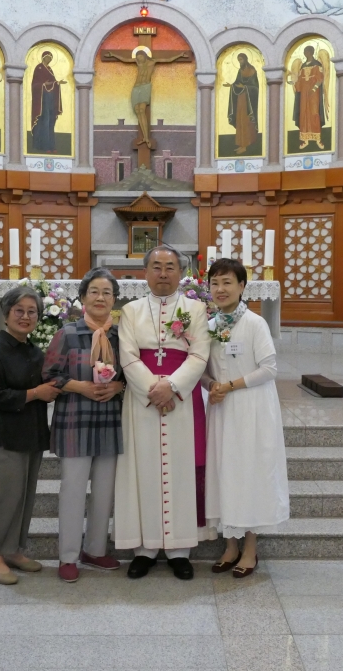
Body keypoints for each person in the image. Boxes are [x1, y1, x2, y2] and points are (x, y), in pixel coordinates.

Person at [115, 245, 213, 580]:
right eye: (156, 266)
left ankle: (179, 550)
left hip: (182, 400)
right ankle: (143, 549)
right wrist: (153, 390)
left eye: (170, 267)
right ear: (145, 272)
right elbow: (128, 356)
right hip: (142, 402)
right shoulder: (130, 311)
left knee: (181, 470)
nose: (163, 273)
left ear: (181, 273)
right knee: (141, 469)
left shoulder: (195, 309)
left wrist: (171, 386)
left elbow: (199, 355)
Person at [203, 258, 289, 578]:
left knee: (250, 473)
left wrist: (229, 385)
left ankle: (250, 548)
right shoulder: (210, 326)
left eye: (227, 282)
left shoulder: (254, 323)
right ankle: (230, 546)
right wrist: (211, 385)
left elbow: (269, 368)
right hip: (222, 409)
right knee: (225, 471)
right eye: (215, 283)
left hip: (252, 409)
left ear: (242, 286)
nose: (220, 289)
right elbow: (203, 369)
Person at [43, 268, 126, 583]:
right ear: (82, 298)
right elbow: (50, 374)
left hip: (109, 421)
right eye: (94, 291)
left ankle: (95, 549)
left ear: (114, 300)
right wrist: (81, 387)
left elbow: (129, 375)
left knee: (104, 491)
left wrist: (118, 386)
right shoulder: (67, 333)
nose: (100, 298)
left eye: (107, 293)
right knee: (73, 490)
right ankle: (68, 556)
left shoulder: (120, 337)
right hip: (75, 420)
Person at [0, 286, 61, 585]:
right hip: (6, 437)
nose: (26, 317)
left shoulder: (33, 352)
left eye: (32, 312)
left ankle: (13, 550)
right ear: (6, 314)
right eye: (19, 311)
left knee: (24, 497)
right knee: (3, 498)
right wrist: (36, 393)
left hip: (31, 435)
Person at [103, 46, 189, 151]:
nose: (139, 60)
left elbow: (168, 59)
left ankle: (146, 137)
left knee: (142, 110)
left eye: (140, 58)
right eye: (137, 58)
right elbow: (125, 59)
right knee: (137, 110)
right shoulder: (138, 62)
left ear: (145, 56)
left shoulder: (152, 62)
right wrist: (113, 55)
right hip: (136, 88)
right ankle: (144, 137)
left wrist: (179, 55)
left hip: (145, 87)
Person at [223, 53, 260, 154]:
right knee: (240, 120)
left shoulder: (252, 70)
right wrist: (231, 85)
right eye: (239, 60)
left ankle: (246, 145)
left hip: (248, 102)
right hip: (240, 99)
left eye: (241, 60)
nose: (240, 62)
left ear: (246, 59)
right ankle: (241, 144)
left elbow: (255, 87)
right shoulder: (240, 71)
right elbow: (237, 82)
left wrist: (245, 87)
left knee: (246, 121)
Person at [29, 51, 65, 154]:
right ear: (43, 57)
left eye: (51, 58)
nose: (49, 60)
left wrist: (57, 83)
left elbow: (52, 82)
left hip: (51, 98)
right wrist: (44, 84)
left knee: (51, 122)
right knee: (45, 121)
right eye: (48, 57)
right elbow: (35, 84)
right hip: (42, 99)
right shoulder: (39, 68)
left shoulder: (50, 69)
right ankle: (45, 146)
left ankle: (52, 146)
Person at [291, 45, 326, 150]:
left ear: (311, 52)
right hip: (304, 94)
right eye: (304, 51)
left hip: (313, 93)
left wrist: (314, 88)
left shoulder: (317, 64)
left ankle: (318, 139)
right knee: (304, 114)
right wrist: (294, 83)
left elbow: (320, 78)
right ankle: (305, 140)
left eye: (307, 51)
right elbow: (300, 80)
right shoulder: (302, 66)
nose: (305, 53)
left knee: (314, 113)